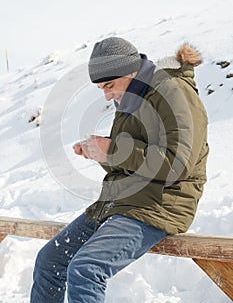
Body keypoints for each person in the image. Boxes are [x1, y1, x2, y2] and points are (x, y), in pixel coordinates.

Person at [30, 37, 209, 302]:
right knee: (49, 261)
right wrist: (101, 153)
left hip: (159, 205)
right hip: (123, 201)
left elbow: (177, 164)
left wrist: (112, 150)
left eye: (110, 85)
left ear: (131, 72)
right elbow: (133, 158)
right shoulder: (132, 98)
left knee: (86, 269)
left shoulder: (173, 92)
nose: (106, 94)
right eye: (101, 88)